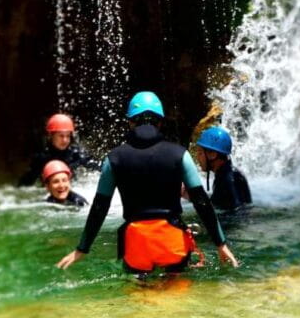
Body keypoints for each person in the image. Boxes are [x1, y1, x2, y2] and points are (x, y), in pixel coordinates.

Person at [56, 91, 239, 275]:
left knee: (139, 297)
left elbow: (99, 206)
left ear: (130, 122)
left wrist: (82, 248)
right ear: (160, 122)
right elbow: (201, 201)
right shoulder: (180, 154)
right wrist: (220, 244)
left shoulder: (113, 159)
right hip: (172, 242)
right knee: (179, 296)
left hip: (136, 246)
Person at [18, 113, 100, 186]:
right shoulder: (41, 158)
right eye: (61, 136)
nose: (65, 140)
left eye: (67, 136)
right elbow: (25, 185)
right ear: (51, 136)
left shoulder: (77, 154)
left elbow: (99, 169)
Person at [195, 126, 252, 211]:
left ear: (213, 154)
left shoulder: (227, 180)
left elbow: (238, 213)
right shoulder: (228, 174)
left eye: (200, 153)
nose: (197, 157)